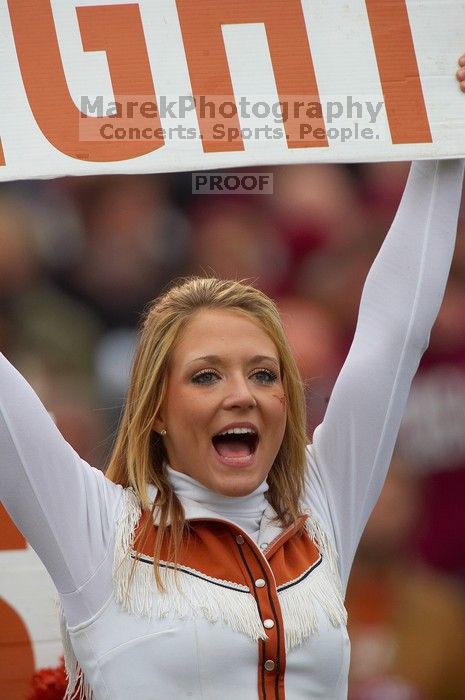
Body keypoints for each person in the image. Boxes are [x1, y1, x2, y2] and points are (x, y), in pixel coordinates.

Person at [1, 60, 465, 700]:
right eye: (206, 375)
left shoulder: (323, 506)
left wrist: (451, 125)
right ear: (156, 409)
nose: (241, 394)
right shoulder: (95, 527)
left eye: (264, 374)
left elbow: (395, 332)